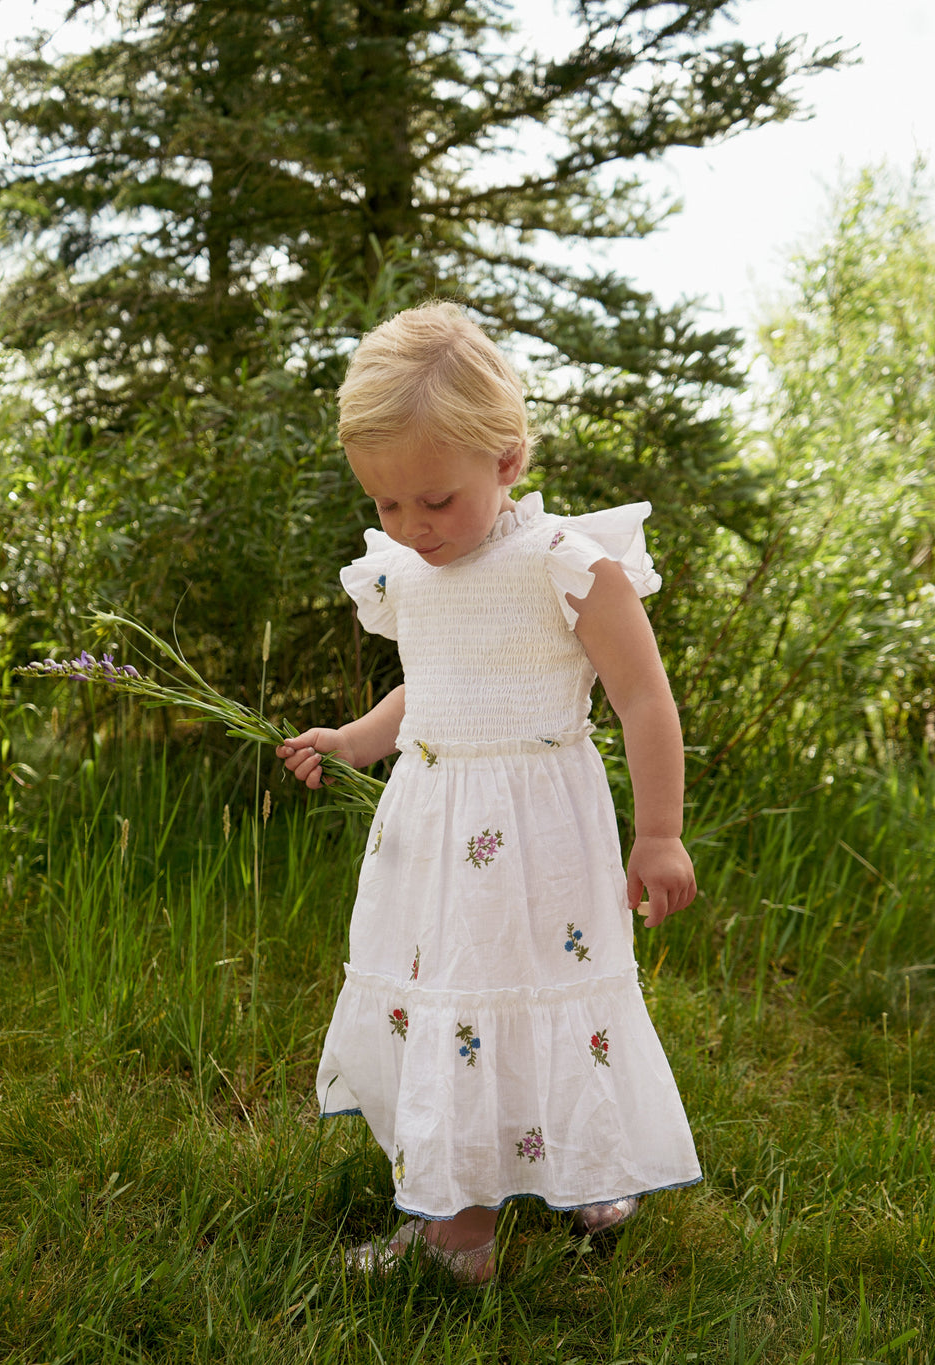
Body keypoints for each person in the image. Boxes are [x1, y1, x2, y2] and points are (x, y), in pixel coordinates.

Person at [276, 301, 700, 1285]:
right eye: (386, 505)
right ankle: (458, 1228)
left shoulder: (567, 567)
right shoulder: (409, 575)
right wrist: (354, 741)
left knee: (543, 994)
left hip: (541, 830)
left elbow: (642, 700)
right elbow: (430, 687)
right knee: (456, 1001)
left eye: (434, 501)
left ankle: (579, 1165)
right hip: (434, 830)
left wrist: (661, 836)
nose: (412, 527)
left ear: (506, 462)